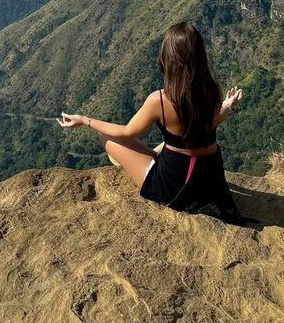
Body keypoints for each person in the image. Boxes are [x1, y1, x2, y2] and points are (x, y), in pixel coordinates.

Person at [57, 21, 246, 223]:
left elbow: (128, 132)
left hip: (177, 187)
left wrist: (85, 120)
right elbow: (214, 120)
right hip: (211, 182)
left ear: (168, 59)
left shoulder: (160, 100)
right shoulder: (212, 90)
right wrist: (227, 105)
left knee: (106, 138)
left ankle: (144, 161)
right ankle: (154, 157)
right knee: (173, 143)